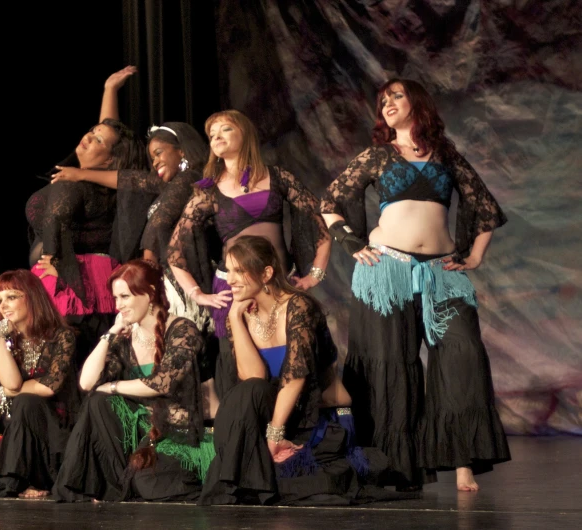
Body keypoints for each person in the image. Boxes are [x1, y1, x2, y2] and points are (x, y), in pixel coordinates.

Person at [320, 78, 511, 492]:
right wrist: (351, 242)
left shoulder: (445, 155)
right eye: (383, 100)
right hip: (387, 270)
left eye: (396, 96)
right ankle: (394, 467)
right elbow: (330, 201)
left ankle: (462, 460)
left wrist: (474, 257)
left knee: (462, 355)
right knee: (390, 363)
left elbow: (484, 207)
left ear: (416, 102)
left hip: (442, 271)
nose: (387, 104)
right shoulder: (378, 155)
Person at [52, 66, 222, 418]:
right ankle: (161, 423)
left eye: (160, 153)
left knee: (188, 361)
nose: (154, 161)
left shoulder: (190, 178)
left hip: (181, 281)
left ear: (183, 151)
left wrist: (81, 174)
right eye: (151, 156)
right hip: (168, 282)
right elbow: (134, 178)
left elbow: (135, 184)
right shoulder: (171, 185)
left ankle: (191, 427)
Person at [198, 235, 408, 506]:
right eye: (228, 270)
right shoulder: (242, 314)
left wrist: (273, 436)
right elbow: (255, 379)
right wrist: (235, 319)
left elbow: (296, 377)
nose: (230, 279)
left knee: (285, 481)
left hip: (317, 418)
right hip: (278, 417)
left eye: (239, 270)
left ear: (266, 273)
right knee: (246, 398)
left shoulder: (299, 307)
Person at [166, 110, 332, 402]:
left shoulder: (278, 176)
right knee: (246, 373)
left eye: (225, 129)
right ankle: (250, 432)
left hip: (280, 284)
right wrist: (197, 294)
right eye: (212, 134)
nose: (216, 137)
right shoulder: (208, 193)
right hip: (236, 291)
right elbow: (175, 250)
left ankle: (292, 430)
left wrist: (314, 274)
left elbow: (319, 222)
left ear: (245, 134)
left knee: (295, 364)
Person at [52, 259, 210, 503]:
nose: (118, 306)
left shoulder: (181, 330)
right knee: (98, 401)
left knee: (148, 483)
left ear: (149, 293)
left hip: (176, 432)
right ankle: (114, 486)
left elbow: (162, 383)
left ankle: (127, 485)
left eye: (124, 297)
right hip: (142, 431)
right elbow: (86, 382)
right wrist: (109, 335)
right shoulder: (125, 337)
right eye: (115, 298)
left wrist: (114, 386)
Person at [25, 67, 147, 364]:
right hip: (73, 282)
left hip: (68, 287)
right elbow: (109, 131)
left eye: (98, 141)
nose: (89, 138)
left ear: (110, 160)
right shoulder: (86, 180)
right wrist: (109, 90)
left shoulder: (77, 184)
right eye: (90, 133)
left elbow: (56, 221)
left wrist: (54, 263)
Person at [0, 270, 80, 498]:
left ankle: (23, 481)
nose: (3, 305)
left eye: (11, 297)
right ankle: (21, 480)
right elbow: (12, 382)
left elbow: (48, 386)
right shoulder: (1, 342)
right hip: (19, 439)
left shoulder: (62, 336)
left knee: (26, 400)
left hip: (54, 435)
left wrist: (3, 392)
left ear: (32, 297)